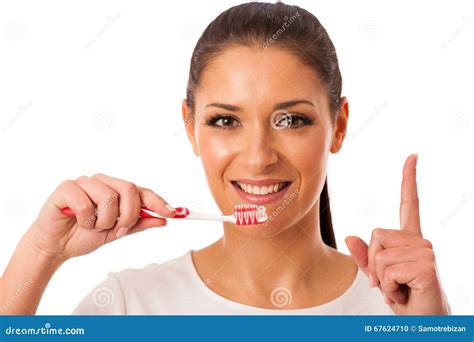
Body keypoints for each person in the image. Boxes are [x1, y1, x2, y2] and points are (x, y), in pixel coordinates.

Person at [0, 2, 450, 315]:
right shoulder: (128, 306)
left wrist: (433, 331)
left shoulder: (399, 307)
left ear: (341, 124)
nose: (257, 158)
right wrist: (42, 253)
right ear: (190, 125)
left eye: (291, 120)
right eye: (225, 121)